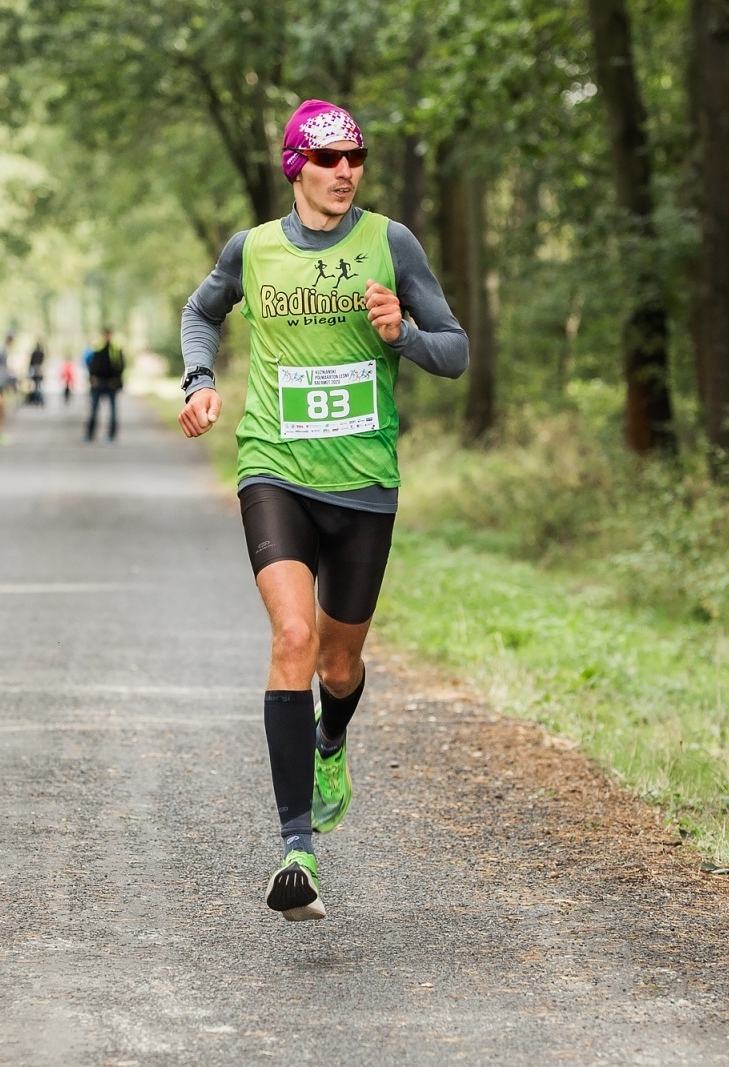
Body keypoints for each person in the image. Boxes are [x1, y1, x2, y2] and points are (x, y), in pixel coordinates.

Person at [177, 100, 468, 921]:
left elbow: (456, 350)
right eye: (330, 158)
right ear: (295, 165)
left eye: (357, 158)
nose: (346, 172)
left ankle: (331, 739)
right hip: (275, 468)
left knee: (339, 665)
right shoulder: (254, 251)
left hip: (364, 484)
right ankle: (296, 847)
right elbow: (202, 311)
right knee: (293, 637)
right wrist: (200, 381)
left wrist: (403, 332)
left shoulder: (391, 243)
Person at [84, 328, 126, 442]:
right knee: (94, 410)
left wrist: (116, 380)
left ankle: (111, 435)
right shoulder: (97, 348)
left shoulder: (116, 349)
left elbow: (121, 365)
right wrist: (92, 378)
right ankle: (89, 434)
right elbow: (91, 364)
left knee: (113, 411)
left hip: (111, 384)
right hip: (98, 383)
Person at [0, 334, 18, 436]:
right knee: (1, 411)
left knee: (1, 411)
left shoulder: (3, 350)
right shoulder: (3, 351)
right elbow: (1, 368)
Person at [26, 341, 47, 407]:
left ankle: (37, 399)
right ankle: (38, 400)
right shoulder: (41, 353)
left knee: (36, 386)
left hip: (35, 369)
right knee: (38, 386)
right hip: (39, 369)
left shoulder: (35, 353)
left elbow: (31, 362)